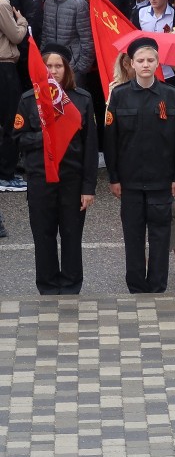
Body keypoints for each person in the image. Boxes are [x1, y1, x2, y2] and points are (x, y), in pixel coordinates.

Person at [104, 37, 175, 294]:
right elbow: (111, 142)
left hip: (161, 180)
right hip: (129, 181)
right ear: (131, 63)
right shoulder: (119, 96)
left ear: (158, 62)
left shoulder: (171, 95)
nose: (145, 65)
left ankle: (157, 286)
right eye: (140, 60)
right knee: (133, 235)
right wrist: (114, 178)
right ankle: (136, 286)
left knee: (160, 236)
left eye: (151, 60)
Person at [13, 43, 97, 294]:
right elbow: (18, 139)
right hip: (40, 179)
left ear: (67, 69)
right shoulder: (29, 100)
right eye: (48, 66)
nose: (53, 70)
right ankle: (48, 285)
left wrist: (88, 187)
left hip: (72, 179)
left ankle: (71, 285)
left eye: (58, 66)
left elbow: (91, 146)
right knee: (43, 235)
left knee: (72, 235)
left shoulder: (81, 99)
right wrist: (46, 136)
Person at [38, 0, 94, 86]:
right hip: (51, 66)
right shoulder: (48, 2)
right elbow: (45, 34)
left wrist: (81, 69)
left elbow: (87, 40)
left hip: (72, 67)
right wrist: (43, 59)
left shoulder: (78, 4)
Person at [0, 0, 28, 193]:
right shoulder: (2, 3)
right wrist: (21, 20)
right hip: (4, 66)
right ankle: (6, 173)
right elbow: (16, 36)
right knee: (11, 119)